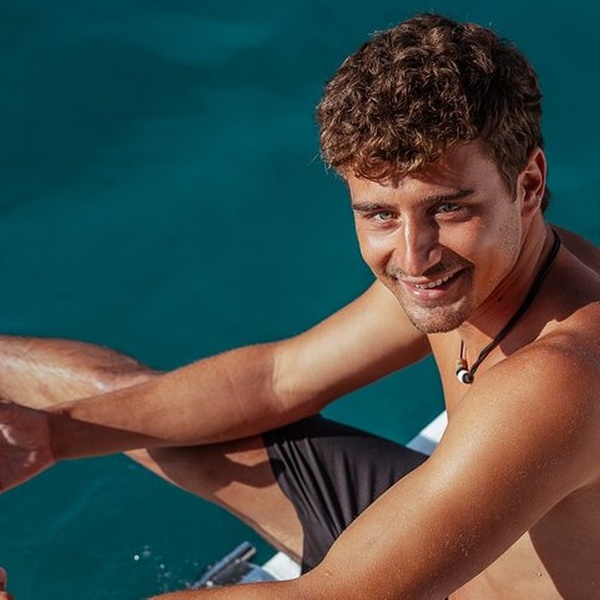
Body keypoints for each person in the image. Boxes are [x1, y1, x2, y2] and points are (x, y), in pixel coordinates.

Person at [0, 12, 599, 599]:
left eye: (448, 208)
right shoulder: (476, 277)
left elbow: (342, 595)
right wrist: (50, 435)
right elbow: (276, 381)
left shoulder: (562, 375)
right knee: (172, 426)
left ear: (528, 184)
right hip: (421, 558)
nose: (414, 257)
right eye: (380, 215)